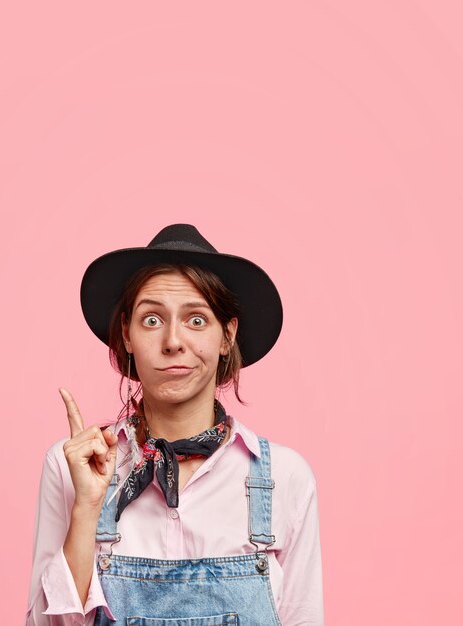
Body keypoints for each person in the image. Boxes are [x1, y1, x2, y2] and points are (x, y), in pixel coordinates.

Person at [25, 223, 324, 625]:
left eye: (196, 320)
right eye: (151, 320)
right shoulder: (71, 467)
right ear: (127, 335)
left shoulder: (285, 478)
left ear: (226, 336)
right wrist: (87, 510)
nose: (172, 341)